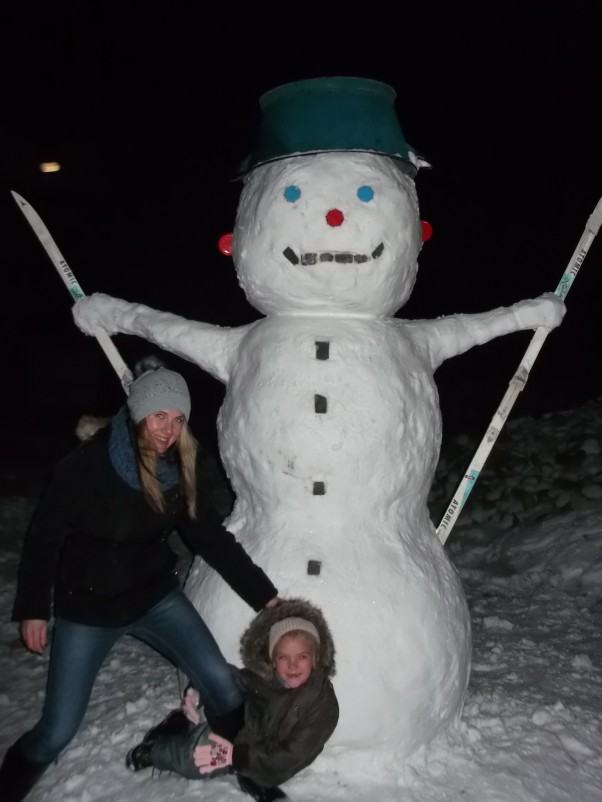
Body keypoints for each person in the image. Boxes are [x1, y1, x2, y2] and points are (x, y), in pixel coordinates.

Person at [0, 360, 280, 802]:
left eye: (178, 418)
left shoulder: (178, 472)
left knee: (223, 686)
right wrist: (34, 606)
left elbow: (211, 539)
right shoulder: (86, 467)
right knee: (55, 731)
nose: (169, 430)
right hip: (89, 610)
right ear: (136, 413)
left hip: (155, 599)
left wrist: (264, 596)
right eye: (159, 415)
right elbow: (44, 537)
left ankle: (251, 771)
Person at [125, 597, 339, 802]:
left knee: (203, 758)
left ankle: (248, 777)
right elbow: (231, 678)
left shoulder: (322, 705)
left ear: (315, 658)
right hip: (240, 739)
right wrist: (197, 690)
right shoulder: (270, 679)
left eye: (302, 657)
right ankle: (153, 750)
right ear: (273, 661)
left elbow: (289, 757)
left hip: (250, 756)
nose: (292, 666)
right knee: (192, 759)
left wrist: (235, 757)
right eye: (284, 657)